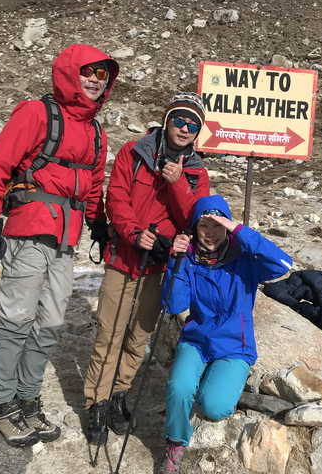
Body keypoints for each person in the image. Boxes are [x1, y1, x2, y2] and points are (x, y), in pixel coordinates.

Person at [0, 44, 118, 447]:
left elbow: (93, 188)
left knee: (50, 325)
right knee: (17, 320)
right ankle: (1, 405)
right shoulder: (36, 114)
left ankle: (27, 399)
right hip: (28, 232)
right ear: (70, 72)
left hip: (66, 242)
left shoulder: (97, 132)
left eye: (102, 75)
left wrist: (100, 227)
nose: (94, 80)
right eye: (88, 71)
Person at [83, 93, 211, 445]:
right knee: (108, 333)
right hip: (124, 257)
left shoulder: (197, 172)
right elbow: (116, 198)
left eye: (193, 124)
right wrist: (134, 233)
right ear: (167, 120)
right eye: (179, 120)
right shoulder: (133, 153)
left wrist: (177, 183)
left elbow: (194, 219)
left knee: (139, 337)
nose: (184, 128)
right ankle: (97, 401)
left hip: (160, 266)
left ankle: (120, 394)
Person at [157, 195, 293, 474]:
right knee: (179, 388)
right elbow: (175, 304)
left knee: (215, 407)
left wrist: (238, 230)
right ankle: (174, 443)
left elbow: (283, 264)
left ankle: (219, 382)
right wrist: (176, 261)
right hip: (196, 341)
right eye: (203, 225)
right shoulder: (190, 259)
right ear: (194, 227)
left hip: (234, 346)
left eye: (217, 225)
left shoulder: (245, 257)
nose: (210, 233)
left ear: (227, 226)